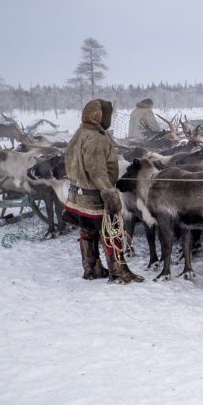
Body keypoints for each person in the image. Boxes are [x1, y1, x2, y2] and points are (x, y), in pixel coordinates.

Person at [62, 99, 143, 284]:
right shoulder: (95, 139)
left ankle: (92, 268)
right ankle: (118, 272)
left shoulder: (80, 133)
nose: (109, 119)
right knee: (111, 231)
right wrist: (109, 192)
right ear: (99, 116)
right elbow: (96, 170)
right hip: (95, 195)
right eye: (108, 115)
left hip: (78, 193)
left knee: (88, 230)